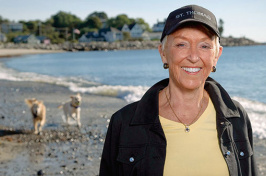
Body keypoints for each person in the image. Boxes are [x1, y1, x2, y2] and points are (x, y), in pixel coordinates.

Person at [99, 5, 257, 176]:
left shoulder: (237, 117)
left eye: (204, 46)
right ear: (163, 52)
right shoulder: (124, 122)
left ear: (216, 56)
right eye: (182, 44)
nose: (194, 56)